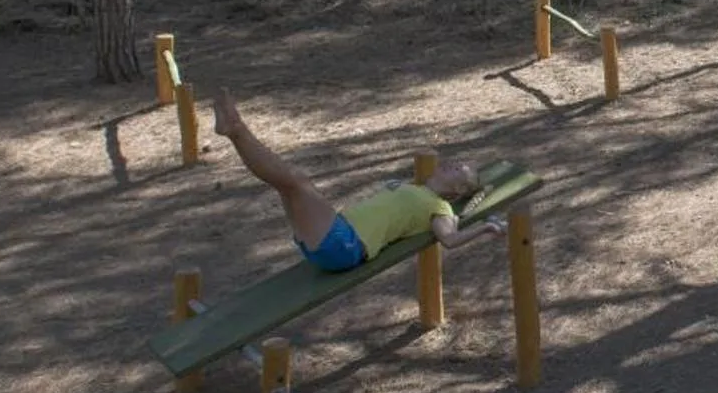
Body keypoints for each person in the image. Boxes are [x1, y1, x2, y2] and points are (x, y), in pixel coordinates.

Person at [212, 90, 502, 270]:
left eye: (460, 170)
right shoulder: (415, 189)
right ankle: (234, 130)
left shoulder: (441, 208)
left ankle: (236, 129)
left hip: (345, 244)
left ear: (458, 191)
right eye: (455, 163)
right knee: (286, 185)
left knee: (296, 182)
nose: (453, 164)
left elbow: (450, 239)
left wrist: (484, 228)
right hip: (334, 237)